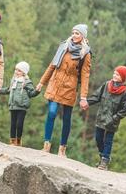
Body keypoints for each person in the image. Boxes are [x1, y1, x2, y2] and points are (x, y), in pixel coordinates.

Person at [36, 24, 91, 157]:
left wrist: (83, 97)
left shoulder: (85, 53)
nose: (74, 35)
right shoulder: (64, 46)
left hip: (70, 88)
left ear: (83, 36)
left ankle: (62, 149)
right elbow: (52, 65)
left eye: (77, 33)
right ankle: (46, 145)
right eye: (73, 32)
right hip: (55, 83)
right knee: (52, 112)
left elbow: (85, 76)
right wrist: (41, 82)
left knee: (67, 118)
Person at [86, 66, 126, 170]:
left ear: (123, 77)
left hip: (112, 122)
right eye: (114, 73)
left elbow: (125, 110)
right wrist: (87, 102)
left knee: (108, 141)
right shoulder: (106, 85)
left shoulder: (125, 92)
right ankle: (103, 156)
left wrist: (114, 118)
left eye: (118, 74)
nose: (114, 75)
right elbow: (97, 96)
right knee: (98, 138)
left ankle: (104, 161)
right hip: (101, 118)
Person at [0, 61, 40, 146]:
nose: (16, 72)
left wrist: (37, 91)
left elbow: (31, 93)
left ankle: (18, 140)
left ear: (24, 72)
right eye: (16, 70)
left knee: (19, 124)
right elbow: (8, 90)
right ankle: (12, 141)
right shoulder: (13, 81)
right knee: (13, 124)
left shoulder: (27, 82)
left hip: (22, 107)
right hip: (13, 105)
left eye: (19, 70)